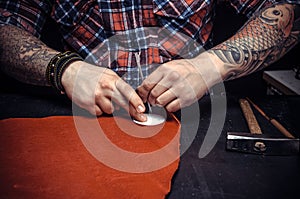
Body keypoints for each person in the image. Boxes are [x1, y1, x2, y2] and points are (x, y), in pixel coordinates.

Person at [0, 0, 299, 122]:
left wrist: (208, 66)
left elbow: (289, 12)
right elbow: (6, 28)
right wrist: (64, 68)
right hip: (90, 121)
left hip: (200, 120)